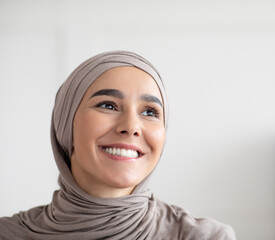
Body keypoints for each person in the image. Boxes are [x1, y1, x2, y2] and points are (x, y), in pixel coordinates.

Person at [0, 51, 236, 239]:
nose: (131, 126)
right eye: (108, 105)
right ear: (66, 122)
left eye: (150, 111)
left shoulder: (202, 237)